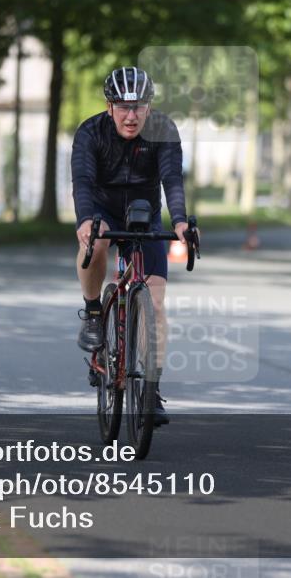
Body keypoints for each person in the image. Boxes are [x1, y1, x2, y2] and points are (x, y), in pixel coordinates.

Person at [71, 67, 189, 426]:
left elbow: (172, 179)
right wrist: (86, 219)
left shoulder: (163, 130)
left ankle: (151, 392)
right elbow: (83, 181)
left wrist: (180, 221)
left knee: (156, 303)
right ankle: (94, 312)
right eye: (123, 107)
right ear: (110, 107)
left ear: (149, 107)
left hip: (143, 214)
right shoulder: (90, 132)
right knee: (96, 241)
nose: (131, 115)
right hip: (103, 210)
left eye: (139, 106)